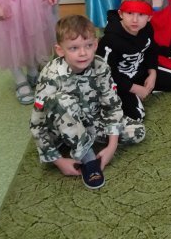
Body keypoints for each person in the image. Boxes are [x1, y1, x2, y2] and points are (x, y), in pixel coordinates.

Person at [30, 15, 145, 190]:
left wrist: (112, 146)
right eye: (74, 48)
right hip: (59, 127)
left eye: (88, 45)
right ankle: (86, 155)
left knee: (137, 131)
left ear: (96, 45)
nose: (83, 53)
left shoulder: (101, 66)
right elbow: (37, 124)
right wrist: (57, 160)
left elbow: (112, 106)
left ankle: (83, 137)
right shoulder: (50, 75)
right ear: (60, 50)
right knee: (62, 100)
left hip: (91, 119)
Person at [97, 0, 171, 121]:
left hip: (139, 72)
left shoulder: (147, 28)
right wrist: (134, 88)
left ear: (149, 18)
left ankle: (144, 89)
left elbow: (150, 49)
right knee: (137, 116)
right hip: (118, 81)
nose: (135, 20)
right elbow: (106, 74)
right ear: (121, 14)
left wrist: (152, 73)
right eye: (130, 13)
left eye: (141, 14)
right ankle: (130, 96)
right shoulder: (109, 40)